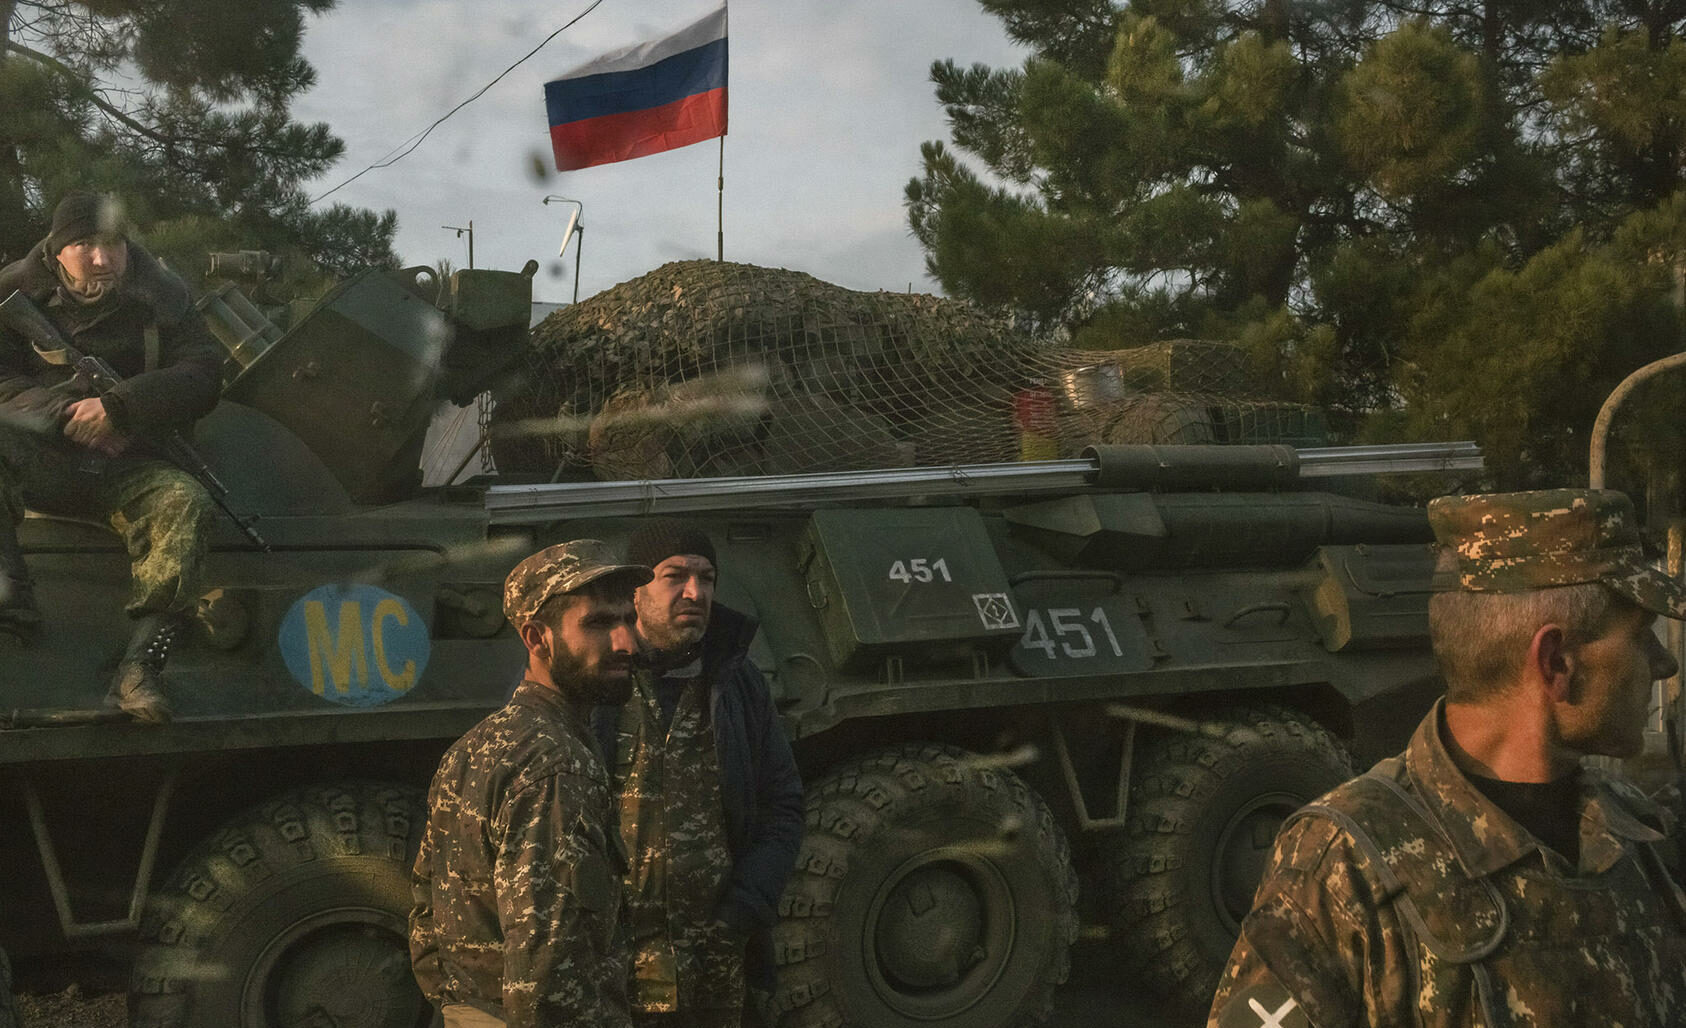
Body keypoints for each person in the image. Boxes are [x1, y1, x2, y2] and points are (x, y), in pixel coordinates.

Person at [1208, 489, 1686, 1028]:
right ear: (1556, 662)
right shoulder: (1342, 868)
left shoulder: (1636, 830)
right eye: (1641, 636)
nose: (1664, 663)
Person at [409, 539, 651, 1028]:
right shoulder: (558, 766)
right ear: (538, 638)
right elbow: (551, 971)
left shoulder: (474, 747)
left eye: (629, 620)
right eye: (599, 623)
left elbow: (426, 920)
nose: (627, 642)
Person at [0, 191, 222, 722]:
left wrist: (121, 408)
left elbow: (203, 373)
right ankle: (11, 614)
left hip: (128, 462)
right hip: (38, 457)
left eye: (113, 244)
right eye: (84, 245)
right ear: (56, 250)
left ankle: (140, 666)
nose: (102, 259)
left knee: (186, 501)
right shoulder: (11, 295)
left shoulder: (164, 296)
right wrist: (65, 416)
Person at [597, 520, 804, 1028]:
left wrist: (745, 907)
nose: (695, 592)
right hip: (614, 966)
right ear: (636, 589)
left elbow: (782, 804)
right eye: (675, 576)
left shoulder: (736, 683)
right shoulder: (597, 681)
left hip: (716, 962)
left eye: (706, 578)